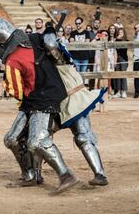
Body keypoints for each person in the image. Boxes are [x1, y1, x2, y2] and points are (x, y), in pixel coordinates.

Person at [0, 18, 79, 195]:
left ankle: (66, 175)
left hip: (43, 101)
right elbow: (53, 43)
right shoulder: (36, 38)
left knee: (36, 141)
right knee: (11, 139)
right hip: (39, 98)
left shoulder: (12, 61)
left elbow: (17, 92)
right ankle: (29, 174)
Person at [43, 24, 108, 186]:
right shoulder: (46, 61)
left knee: (83, 137)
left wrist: (49, 30)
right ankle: (35, 174)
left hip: (75, 100)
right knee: (39, 137)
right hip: (59, 105)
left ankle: (100, 174)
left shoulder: (59, 54)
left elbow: (50, 43)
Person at [113, 28, 128, 98]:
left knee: (123, 74)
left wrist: (119, 39)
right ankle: (118, 91)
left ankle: (124, 91)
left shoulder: (126, 41)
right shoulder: (116, 40)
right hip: (116, 58)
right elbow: (115, 48)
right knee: (117, 75)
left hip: (123, 58)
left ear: (124, 33)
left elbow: (123, 48)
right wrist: (117, 39)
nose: (120, 34)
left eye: (121, 32)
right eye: (119, 32)